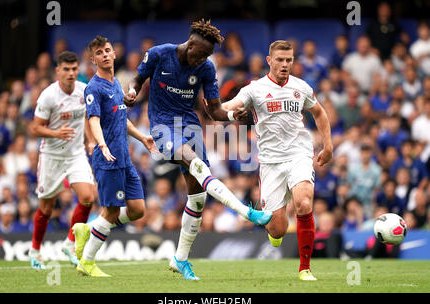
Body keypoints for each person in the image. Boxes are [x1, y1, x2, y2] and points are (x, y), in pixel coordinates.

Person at [126, 19, 273, 280]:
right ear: (190, 45)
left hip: (190, 127)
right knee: (196, 163)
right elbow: (137, 80)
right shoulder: (160, 54)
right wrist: (131, 92)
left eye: (208, 56)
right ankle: (246, 212)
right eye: (202, 54)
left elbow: (215, 110)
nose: (204, 60)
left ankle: (180, 259)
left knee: (198, 197)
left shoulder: (205, 68)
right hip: (162, 126)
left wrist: (233, 117)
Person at [214, 40, 333, 281]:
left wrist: (328, 145)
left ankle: (305, 269)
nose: (284, 64)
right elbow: (227, 106)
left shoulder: (301, 87)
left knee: (303, 203)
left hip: (299, 153)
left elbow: (319, 112)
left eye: (289, 60)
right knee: (277, 227)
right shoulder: (254, 89)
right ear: (269, 61)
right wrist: (224, 111)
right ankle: (275, 232)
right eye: (279, 60)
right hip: (271, 163)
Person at [73, 36, 154, 277]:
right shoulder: (94, 87)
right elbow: (93, 120)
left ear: (114, 54)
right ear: (93, 59)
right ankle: (86, 262)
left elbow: (121, 118)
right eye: (99, 53)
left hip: (125, 159)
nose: (105, 55)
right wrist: (101, 144)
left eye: (108, 50)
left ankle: (87, 229)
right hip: (108, 159)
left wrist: (142, 137)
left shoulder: (117, 84)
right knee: (110, 211)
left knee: (138, 209)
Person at [27, 51, 96, 269]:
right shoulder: (48, 96)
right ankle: (35, 250)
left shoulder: (84, 91)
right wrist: (57, 133)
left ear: (78, 70)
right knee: (46, 209)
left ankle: (70, 242)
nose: (70, 73)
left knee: (87, 197)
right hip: (51, 156)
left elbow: (87, 117)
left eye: (74, 69)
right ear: (58, 71)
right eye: (66, 69)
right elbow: (34, 127)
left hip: (75, 154)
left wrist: (91, 140)